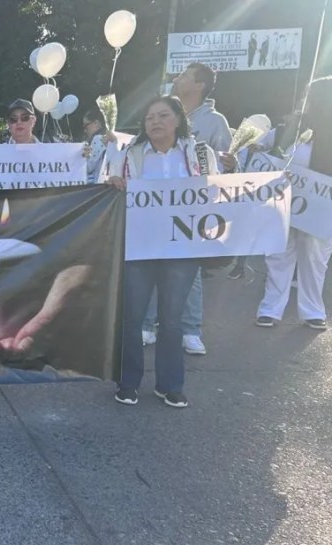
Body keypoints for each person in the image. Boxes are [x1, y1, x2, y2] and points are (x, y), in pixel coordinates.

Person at [108, 96, 219, 409]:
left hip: (181, 247)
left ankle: (170, 384)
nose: (154, 122)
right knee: (132, 317)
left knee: (171, 319)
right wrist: (114, 182)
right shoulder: (131, 154)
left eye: (162, 115)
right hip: (139, 246)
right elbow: (111, 188)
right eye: (148, 117)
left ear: (178, 119)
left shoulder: (200, 152)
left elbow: (219, 190)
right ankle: (127, 382)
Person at [145, 63, 234, 357]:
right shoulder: (161, 112)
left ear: (199, 85)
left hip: (192, 209)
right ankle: (148, 324)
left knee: (190, 270)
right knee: (150, 262)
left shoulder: (215, 121)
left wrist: (232, 165)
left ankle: (191, 329)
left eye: (184, 76)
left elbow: (225, 168)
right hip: (157, 206)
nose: (177, 79)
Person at [256, 77, 332, 331]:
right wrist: (254, 148)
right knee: (278, 255)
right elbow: (261, 148)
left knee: (315, 258)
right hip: (284, 205)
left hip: (320, 211)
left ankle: (313, 311)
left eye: (310, 97)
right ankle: (270, 309)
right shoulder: (287, 130)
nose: (305, 102)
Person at [82, 107, 111, 183]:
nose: (85, 130)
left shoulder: (98, 139)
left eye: (86, 125)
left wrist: (83, 157)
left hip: (98, 184)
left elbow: (89, 167)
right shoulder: (109, 139)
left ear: (96, 123)